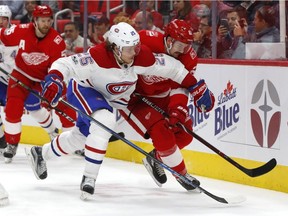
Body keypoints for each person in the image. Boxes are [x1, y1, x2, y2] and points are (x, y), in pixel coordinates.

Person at [25, 22, 214, 200]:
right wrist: (55, 78)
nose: (134, 53)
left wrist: (196, 86)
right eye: (129, 49)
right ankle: (89, 178)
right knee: (106, 121)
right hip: (86, 90)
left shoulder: (140, 56)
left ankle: (41, 154)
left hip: (115, 99)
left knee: (80, 137)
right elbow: (65, 63)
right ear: (115, 47)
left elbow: (173, 69)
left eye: (135, 47)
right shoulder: (96, 57)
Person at [119, 19, 214, 190]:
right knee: (161, 131)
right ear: (169, 40)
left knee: (185, 133)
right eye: (181, 45)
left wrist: (178, 110)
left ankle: (156, 157)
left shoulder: (188, 57)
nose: (184, 50)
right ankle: (182, 174)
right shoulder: (143, 41)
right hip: (134, 97)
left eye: (187, 46)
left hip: (162, 96)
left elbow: (180, 86)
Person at [0, 5, 76, 163]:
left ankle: (71, 139)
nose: (46, 24)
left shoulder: (57, 41)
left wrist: (54, 83)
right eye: (42, 20)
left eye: (49, 20)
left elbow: (58, 68)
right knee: (13, 106)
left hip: (44, 78)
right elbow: (3, 36)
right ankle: (12, 143)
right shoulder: (21, 30)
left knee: (59, 104)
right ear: (34, 21)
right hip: (21, 74)